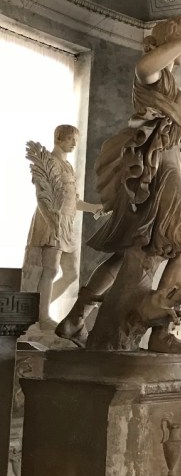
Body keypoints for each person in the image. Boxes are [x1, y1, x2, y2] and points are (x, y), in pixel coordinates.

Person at [56, 16, 181, 352]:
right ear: (172, 42)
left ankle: (75, 318)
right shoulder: (152, 77)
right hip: (159, 172)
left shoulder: (168, 82)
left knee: (129, 252)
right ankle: (161, 334)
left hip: (161, 171)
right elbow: (145, 67)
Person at [21, 125, 102, 328]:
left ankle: (38, 310)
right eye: (70, 139)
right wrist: (52, 221)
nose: (74, 143)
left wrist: (94, 208)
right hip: (50, 221)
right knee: (50, 270)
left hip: (66, 224)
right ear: (59, 138)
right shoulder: (48, 162)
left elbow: (73, 201)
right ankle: (43, 318)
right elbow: (41, 197)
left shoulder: (68, 166)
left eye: (76, 139)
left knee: (71, 273)